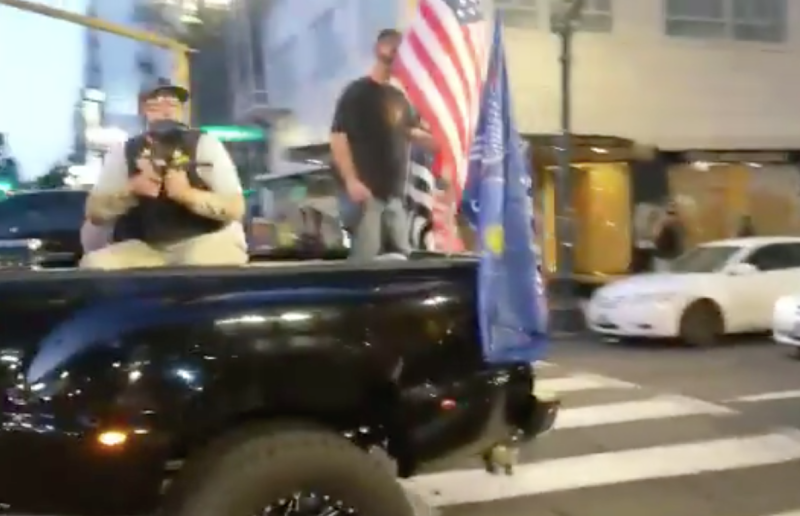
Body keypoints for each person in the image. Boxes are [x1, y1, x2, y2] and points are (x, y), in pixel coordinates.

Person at [81, 78, 248, 269]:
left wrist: (187, 194)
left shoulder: (205, 143)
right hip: (147, 247)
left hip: (203, 239)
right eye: (156, 105)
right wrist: (132, 190)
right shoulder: (124, 151)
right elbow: (95, 212)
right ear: (142, 109)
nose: (165, 111)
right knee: (95, 265)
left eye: (172, 105)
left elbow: (235, 207)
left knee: (200, 263)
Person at [329, 28, 436, 261]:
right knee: (366, 258)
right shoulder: (356, 93)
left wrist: (440, 140)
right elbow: (338, 138)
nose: (398, 56)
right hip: (367, 196)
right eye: (393, 48)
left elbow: (410, 131)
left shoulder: (399, 98)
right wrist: (351, 181)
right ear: (379, 49)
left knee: (401, 256)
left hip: (394, 196)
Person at [652, 201, 684, 272]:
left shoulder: (676, 225)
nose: (671, 217)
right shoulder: (663, 223)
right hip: (665, 256)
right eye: (670, 214)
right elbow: (656, 236)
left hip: (672, 256)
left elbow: (655, 236)